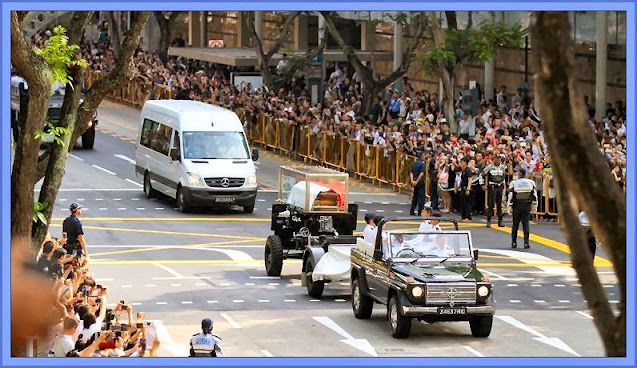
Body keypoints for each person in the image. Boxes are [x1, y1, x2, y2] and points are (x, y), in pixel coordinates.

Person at [507, 167, 538, 249]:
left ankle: (514, 242)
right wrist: (535, 205)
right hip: (526, 205)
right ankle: (526, 243)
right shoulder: (531, 182)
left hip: (517, 205)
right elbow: (534, 195)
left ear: (519, 174)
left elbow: (510, 196)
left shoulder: (514, 183)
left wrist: (508, 206)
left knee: (515, 224)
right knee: (526, 224)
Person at [480, 154, 507, 228]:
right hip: (492, 186)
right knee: (491, 204)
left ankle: (500, 221)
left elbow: (503, 176)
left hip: (499, 186)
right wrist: (482, 184)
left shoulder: (502, 167)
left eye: (499, 159)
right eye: (496, 159)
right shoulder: (490, 167)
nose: (498, 160)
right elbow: (481, 174)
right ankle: (489, 221)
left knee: (499, 204)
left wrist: (504, 184)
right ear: (494, 159)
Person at [409, 152, 427, 216]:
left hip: (414, 180)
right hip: (420, 182)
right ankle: (420, 211)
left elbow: (411, 172)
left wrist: (412, 180)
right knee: (421, 197)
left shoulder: (414, 163)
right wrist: (417, 181)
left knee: (415, 197)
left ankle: (412, 210)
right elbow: (422, 173)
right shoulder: (422, 164)